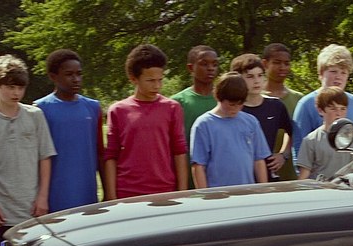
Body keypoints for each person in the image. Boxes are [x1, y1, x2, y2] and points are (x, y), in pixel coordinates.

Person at [0, 54, 56, 246]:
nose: (16, 93)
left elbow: (45, 156)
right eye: (10, 87)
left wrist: (43, 197)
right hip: (0, 210)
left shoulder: (35, 115)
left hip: (32, 208)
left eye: (20, 87)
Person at [104, 44, 188, 200]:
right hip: (128, 192)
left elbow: (179, 151)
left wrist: (182, 192)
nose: (157, 86)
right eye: (150, 80)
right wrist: (111, 196)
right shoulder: (118, 110)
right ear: (133, 79)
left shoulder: (172, 108)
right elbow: (111, 155)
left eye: (160, 80)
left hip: (165, 191)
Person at [35, 49, 104, 212]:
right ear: (53, 76)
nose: (76, 79)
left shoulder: (93, 107)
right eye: (69, 74)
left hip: (87, 193)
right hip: (54, 196)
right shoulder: (40, 109)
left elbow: (101, 153)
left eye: (79, 74)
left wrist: (108, 192)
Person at [293, 44, 353, 156]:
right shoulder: (306, 104)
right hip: (320, 165)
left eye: (343, 72)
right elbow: (299, 147)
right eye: (333, 71)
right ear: (321, 73)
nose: (338, 76)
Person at [190, 72, 270, 188]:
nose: (236, 108)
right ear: (219, 97)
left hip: (247, 191)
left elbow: (259, 159)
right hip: (217, 193)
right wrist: (205, 194)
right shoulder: (204, 124)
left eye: (240, 104)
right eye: (231, 104)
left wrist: (264, 189)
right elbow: (198, 165)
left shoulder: (251, 122)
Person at [230, 53, 294, 181]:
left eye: (260, 75)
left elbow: (292, 132)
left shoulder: (275, 105)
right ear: (238, 79)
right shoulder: (232, 109)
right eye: (250, 76)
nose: (256, 81)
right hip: (239, 176)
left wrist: (283, 154)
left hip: (268, 174)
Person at [171, 45, 219, 188]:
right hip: (188, 178)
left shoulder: (225, 100)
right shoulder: (177, 102)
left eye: (215, 64)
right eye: (204, 64)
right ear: (191, 68)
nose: (211, 68)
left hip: (221, 177)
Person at [296, 86, 353, 180]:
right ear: (321, 110)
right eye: (333, 109)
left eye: (343, 109)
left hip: (347, 186)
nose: (338, 113)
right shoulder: (311, 140)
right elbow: (304, 174)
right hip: (321, 187)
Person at [261, 43, 303, 116]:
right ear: (265, 64)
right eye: (277, 63)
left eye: (286, 64)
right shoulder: (254, 96)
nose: (282, 68)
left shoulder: (298, 99)